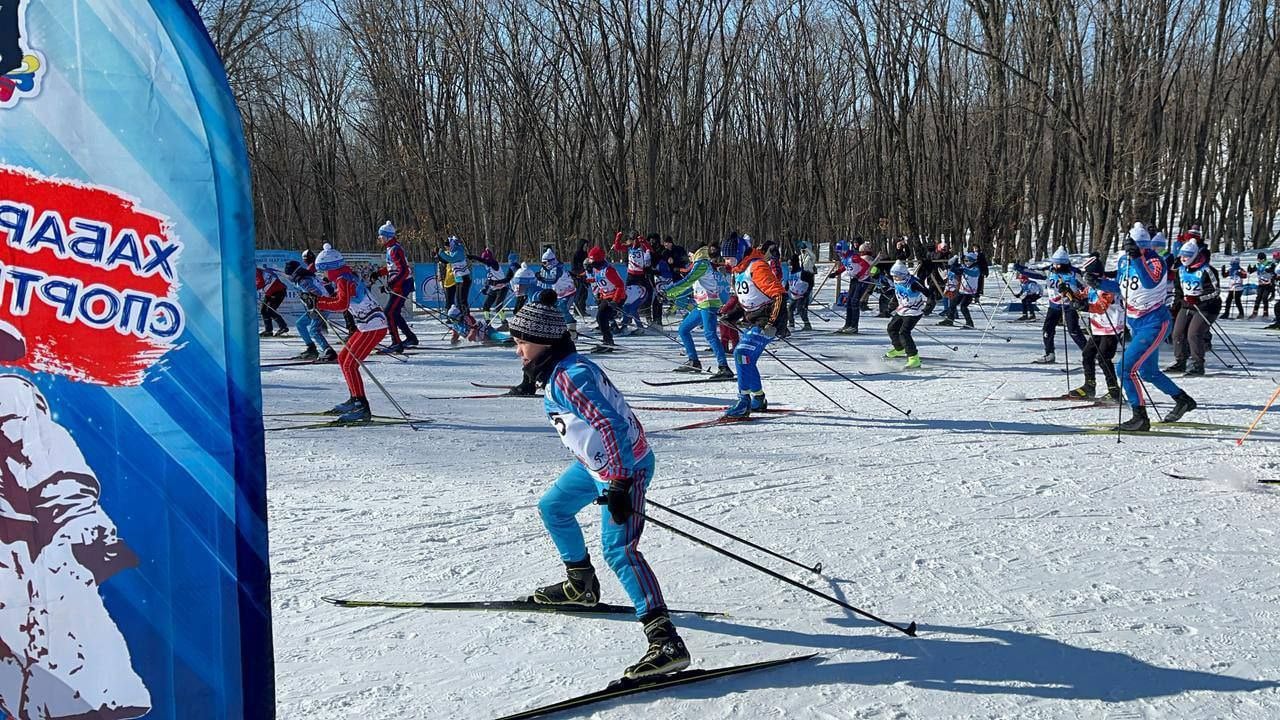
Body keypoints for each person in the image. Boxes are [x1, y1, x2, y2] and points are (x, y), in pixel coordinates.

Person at [511, 291, 690, 679]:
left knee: (619, 551)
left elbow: (611, 425)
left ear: (545, 342)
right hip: (597, 469)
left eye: (521, 341)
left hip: (626, 469)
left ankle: (665, 640)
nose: (517, 350)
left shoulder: (570, 377)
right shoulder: (564, 367)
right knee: (554, 508)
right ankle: (581, 584)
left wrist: (622, 482)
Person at [1115, 223, 1196, 431]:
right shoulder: (1125, 260)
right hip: (1135, 322)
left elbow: (1150, 282)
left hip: (1155, 323)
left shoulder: (1155, 260)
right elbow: (1119, 286)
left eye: (1141, 246)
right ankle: (1183, 400)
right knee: (1148, 372)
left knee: (1124, 368)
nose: (1138, 250)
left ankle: (1139, 416)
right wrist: (1096, 283)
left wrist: (1138, 258)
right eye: (1134, 246)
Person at [312, 244, 390, 423]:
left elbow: (341, 305)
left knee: (350, 364)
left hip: (374, 325)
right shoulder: (343, 277)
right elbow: (340, 300)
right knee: (343, 359)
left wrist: (319, 303)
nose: (322, 276)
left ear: (330, 269)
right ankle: (355, 399)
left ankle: (362, 407)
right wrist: (318, 300)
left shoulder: (343, 280)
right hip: (366, 325)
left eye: (322, 272)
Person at [722, 238, 784, 418]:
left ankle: (743, 401)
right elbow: (746, 300)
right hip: (755, 319)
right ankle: (758, 398)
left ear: (739, 254)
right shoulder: (738, 270)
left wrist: (772, 324)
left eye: (729, 258)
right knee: (746, 359)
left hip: (768, 319)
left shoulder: (757, 267)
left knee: (741, 353)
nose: (726, 261)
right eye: (725, 258)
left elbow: (779, 295)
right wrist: (731, 315)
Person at [665, 244, 733, 377]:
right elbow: (692, 286)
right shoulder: (701, 264)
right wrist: (673, 295)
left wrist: (669, 290)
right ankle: (693, 361)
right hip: (701, 304)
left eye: (690, 255)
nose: (689, 258)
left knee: (710, 334)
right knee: (683, 329)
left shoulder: (701, 264)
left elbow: (688, 280)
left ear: (695, 253)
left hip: (708, 304)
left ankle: (724, 367)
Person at [1064, 257, 1122, 400]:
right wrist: (1068, 292)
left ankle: (1114, 392)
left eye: (1088, 274)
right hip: (1097, 328)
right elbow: (1080, 295)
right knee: (1087, 354)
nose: (1085, 277)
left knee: (1103, 358)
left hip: (1111, 328)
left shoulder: (1108, 287)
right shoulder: (1091, 286)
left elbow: (1101, 307)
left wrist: (1084, 306)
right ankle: (1089, 386)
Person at [1167, 240, 1221, 376]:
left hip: (1207, 308)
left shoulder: (1207, 270)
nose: (1184, 259)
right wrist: (1175, 306)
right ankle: (1180, 361)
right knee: (1177, 333)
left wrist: (1199, 298)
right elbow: (1179, 291)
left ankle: (1198, 364)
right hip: (1187, 305)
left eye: (1187, 256)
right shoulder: (1180, 270)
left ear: (1195, 255)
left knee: (1194, 334)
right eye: (1182, 255)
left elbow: (1215, 291)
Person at [1034, 247, 1087, 364]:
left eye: (1058, 264)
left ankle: (1089, 353)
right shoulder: (1050, 270)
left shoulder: (1074, 273)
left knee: (1073, 330)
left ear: (1064, 264)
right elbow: (1035, 273)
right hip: (1054, 305)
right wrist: (1020, 269)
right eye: (1054, 263)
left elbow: (1086, 288)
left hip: (1070, 304)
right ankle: (1049, 353)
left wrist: (1080, 298)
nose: (1055, 266)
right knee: (1047, 329)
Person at [376, 222, 419, 353]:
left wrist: (392, 283)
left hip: (402, 285)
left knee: (389, 312)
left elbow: (404, 271)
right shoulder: (391, 248)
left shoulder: (394, 249)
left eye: (381, 236)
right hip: (400, 284)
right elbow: (392, 267)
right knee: (394, 313)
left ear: (388, 237)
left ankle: (396, 343)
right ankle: (410, 338)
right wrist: (379, 273)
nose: (380, 239)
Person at [285, 260, 337, 362]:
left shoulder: (303, 280)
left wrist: (308, 297)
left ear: (293, 273)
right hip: (316, 306)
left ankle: (329, 352)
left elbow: (316, 292)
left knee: (314, 331)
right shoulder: (305, 275)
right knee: (300, 324)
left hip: (321, 306)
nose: (289, 278)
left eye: (289, 275)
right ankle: (311, 348)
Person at [884, 261, 929, 369]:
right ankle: (900, 348)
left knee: (904, 332)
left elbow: (929, 294)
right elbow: (898, 295)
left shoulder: (913, 283)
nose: (895, 278)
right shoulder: (898, 282)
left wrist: (929, 307)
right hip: (903, 309)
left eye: (896, 276)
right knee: (891, 328)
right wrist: (890, 307)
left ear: (902, 275)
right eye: (893, 276)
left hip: (914, 312)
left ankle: (914, 358)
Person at [586, 246, 626, 351]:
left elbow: (620, 285)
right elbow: (598, 280)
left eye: (593, 261)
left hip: (616, 297)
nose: (591, 264)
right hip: (606, 296)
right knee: (601, 318)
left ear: (599, 260)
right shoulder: (597, 269)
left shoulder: (608, 270)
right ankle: (607, 340)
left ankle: (608, 342)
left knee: (601, 317)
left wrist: (615, 301)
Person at [828, 241, 872, 334]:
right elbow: (845, 266)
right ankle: (847, 324)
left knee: (854, 302)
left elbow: (866, 266)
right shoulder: (845, 258)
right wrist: (836, 273)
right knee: (849, 302)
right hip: (854, 280)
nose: (838, 253)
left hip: (862, 280)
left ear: (844, 250)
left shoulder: (854, 257)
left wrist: (859, 275)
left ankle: (854, 326)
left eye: (839, 251)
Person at [535, 248, 578, 337]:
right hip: (559, 293)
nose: (544, 265)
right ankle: (559, 329)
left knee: (563, 309)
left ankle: (572, 329)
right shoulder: (554, 267)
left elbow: (553, 280)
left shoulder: (558, 268)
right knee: (555, 310)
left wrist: (541, 278)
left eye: (545, 263)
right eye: (543, 263)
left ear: (551, 261)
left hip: (568, 292)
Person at [941, 251, 980, 328]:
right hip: (962, 291)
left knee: (963, 307)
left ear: (974, 261)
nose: (967, 262)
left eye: (969, 261)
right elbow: (957, 271)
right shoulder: (965, 267)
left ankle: (969, 323)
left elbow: (972, 273)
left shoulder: (976, 269)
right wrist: (952, 267)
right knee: (952, 304)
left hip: (969, 292)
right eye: (965, 261)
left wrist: (963, 269)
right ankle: (950, 320)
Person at [437, 235, 473, 317]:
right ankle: (461, 317)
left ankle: (467, 317)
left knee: (462, 300)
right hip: (459, 278)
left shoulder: (459, 251)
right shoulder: (454, 251)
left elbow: (451, 259)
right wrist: (439, 255)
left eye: (449, 245)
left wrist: (441, 253)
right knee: (458, 300)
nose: (448, 247)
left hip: (464, 278)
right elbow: (446, 261)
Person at [256, 265, 288, 336]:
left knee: (270, 310)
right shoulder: (252, 272)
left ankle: (283, 327)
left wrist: (253, 288)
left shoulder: (255, 271)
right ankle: (268, 330)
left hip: (278, 291)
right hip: (269, 292)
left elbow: (260, 283)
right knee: (263, 310)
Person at [787, 254, 814, 331]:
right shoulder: (790, 272)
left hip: (802, 295)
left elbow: (811, 282)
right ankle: (791, 324)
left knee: (800, 309)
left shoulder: (802, 272)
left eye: (791, 263)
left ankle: (807, 324)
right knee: (790, 309)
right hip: (793, 295)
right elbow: (788, 283)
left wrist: (807, 292)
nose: (789, 265)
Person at [1250, 251, 1275, 319]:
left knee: (1264, 297)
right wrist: (1250, 269)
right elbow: (1252, 270)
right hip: (1261, 284)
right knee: (1258, 298)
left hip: (1268, 284)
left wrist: (1270, 270)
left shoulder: (1269, 264)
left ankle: (1265, 312)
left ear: (1263, 259)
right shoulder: (1258, 265)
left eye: (1259, 259)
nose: (1258, 260)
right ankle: (1254, 312)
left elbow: (1273, 270)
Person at [571, 239, 591, 318]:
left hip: (585, 276)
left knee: (584, 294)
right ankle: (578, 310)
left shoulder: (586, 254)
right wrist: (580, 273)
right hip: (577, 277)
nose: (586, 247)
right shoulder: (576, 255)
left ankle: (582, 308)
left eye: (587, 246)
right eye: (585, 246)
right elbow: (573, 268)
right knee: (579, 294)